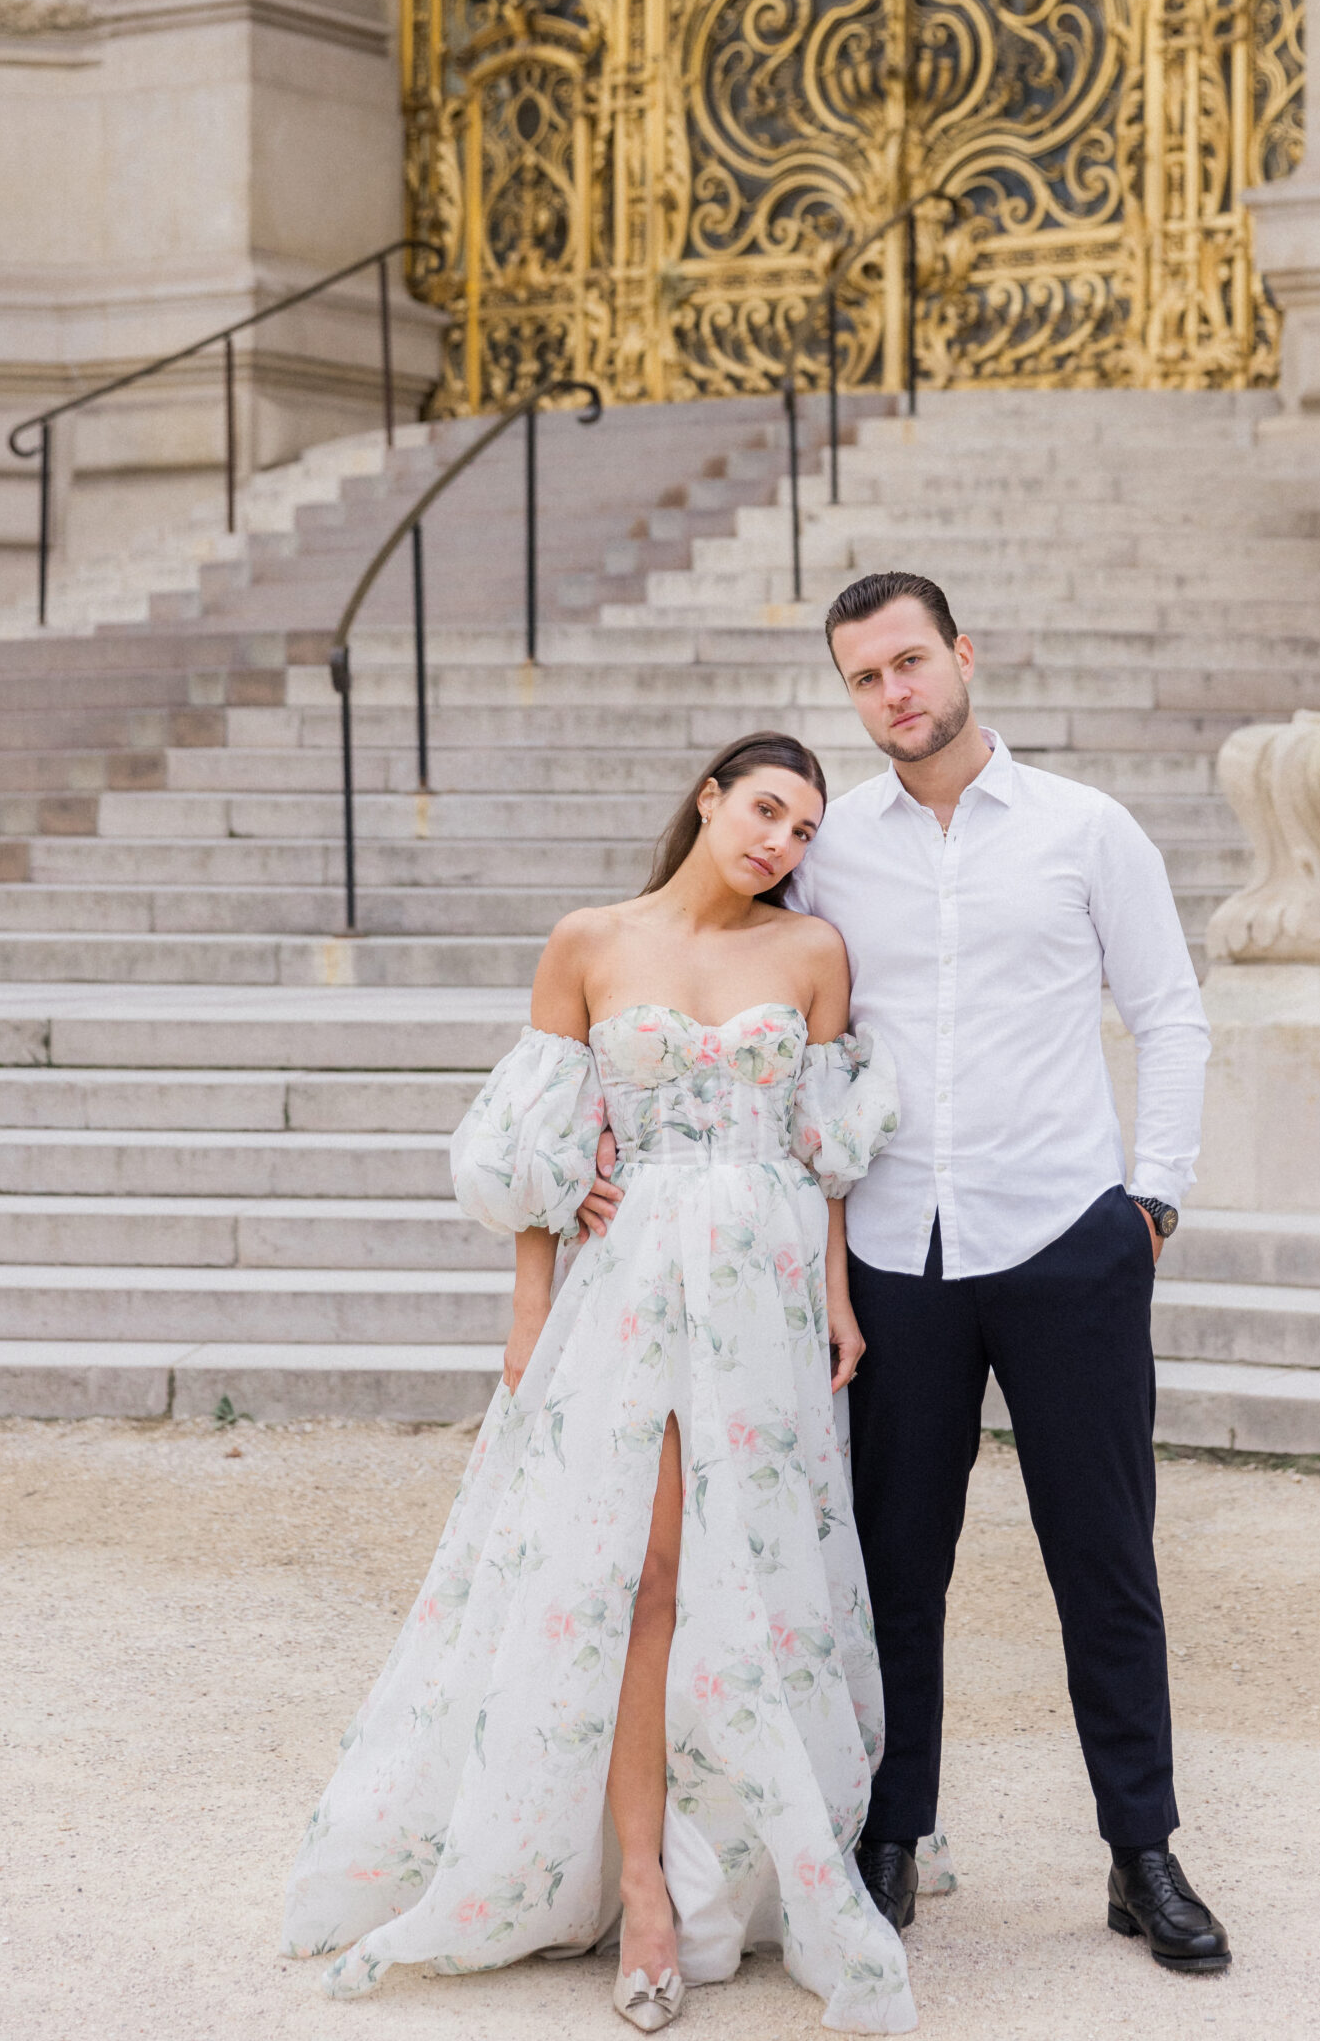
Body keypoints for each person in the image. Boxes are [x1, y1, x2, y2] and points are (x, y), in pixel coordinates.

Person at [281, 731, 916, 2035]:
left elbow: (830, 1157)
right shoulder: (589, 941)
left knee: (749, 1582)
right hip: (624, 1292)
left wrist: (840, 1303)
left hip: (763, 1302)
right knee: (643, 1577)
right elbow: (539, 1146)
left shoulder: (811, 956)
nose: (779, 845)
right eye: (765, 811)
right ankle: (642, 1888)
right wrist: (529, 1318)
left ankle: (737, 1851)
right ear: (709, 798)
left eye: (804, 832)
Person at [790, 570, 1228, 1971]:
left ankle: (1140, 1847)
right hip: (895, 1255)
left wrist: (1148, 1204)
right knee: (892, 1563)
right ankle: (889, 1834)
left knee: (1103, 1556)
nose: (893, 695)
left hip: (1064, 1240)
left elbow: (1170, 1014)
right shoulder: (826, 847)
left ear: (964, 656)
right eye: (865, 679)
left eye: (910, 662)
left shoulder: (1085, 830)